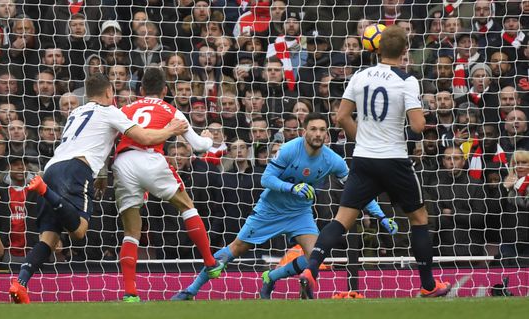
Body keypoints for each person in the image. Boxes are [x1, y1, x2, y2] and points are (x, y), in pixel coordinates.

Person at [171, 113, 397, 301]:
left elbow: (358, 191)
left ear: (327, 134)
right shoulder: (289, 149)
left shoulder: (333, 160)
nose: (318, 134)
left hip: (300, 213)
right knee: (236, 249)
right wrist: (292, 188)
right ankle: (191, 289)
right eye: (313, 129)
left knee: (315, 257)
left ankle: (272, 276)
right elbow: (266, 179)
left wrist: (381, 216)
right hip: (271, 209)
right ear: (304, 132)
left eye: (322, 130)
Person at [8, 73, 189, 304]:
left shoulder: (77, 112)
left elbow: (94, 140)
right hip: (75, 170)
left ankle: (20, 282)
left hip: (52, 168)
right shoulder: (111, 111)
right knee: (79, 230)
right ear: (108, 92)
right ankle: (46, 192)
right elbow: (144, 137)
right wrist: (171, 130)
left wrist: (102, 175)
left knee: (49, 240)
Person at [299, 25, 452, 299]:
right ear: (405, 52)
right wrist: (423, 117)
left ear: (377, 48)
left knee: (343, 219)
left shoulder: (359, 76)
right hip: (394, 159)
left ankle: (311, 268)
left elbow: (341, 117)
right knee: (419, 218)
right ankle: (428, 284)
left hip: (364, 159)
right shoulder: (407, 80)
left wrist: (364, 139)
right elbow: (417, 127)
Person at [112, 68, 224, 303]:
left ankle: (130, 292)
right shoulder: (173, 111)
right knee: (187, 206)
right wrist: (209, 137)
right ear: (165, 90)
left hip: (122, 163)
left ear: (140, 91)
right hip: (151, 158)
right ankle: (210, 262)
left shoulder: (124, 110)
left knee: (131, 231)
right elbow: (201, 147)